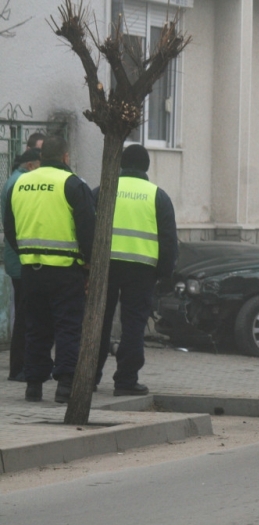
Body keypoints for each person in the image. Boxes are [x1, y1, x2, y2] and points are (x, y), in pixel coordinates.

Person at [3, 135, 96, 403]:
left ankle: (33, 385)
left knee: (36, 327)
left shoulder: (20, 183)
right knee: (68, 326)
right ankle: (65, 385)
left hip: (31, 269)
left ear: (42, 157)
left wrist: (26, 252)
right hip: (66, 270)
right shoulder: (72, 184)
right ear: (66, 157)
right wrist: (88, 265)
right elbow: (87, 229)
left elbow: (10, 228)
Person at [94, 144, 178, 396]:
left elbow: (87, 226)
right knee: (133, 325)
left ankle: (88, 377)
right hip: (142, 270)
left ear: (121, 164)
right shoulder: (157, 196)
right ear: (146, 167)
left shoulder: (103, 190)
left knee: (99, 322)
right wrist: (164, 273)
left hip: (105, 266)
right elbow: (168, 240)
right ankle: (126, 380)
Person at [2, 148, 41, 381]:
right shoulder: (21, 182)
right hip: (21, 260)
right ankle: (19, 367)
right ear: (31, 165)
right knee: (26, 314)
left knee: (25, 312)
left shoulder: (14, 180)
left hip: (17, 258)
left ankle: (22, 365)